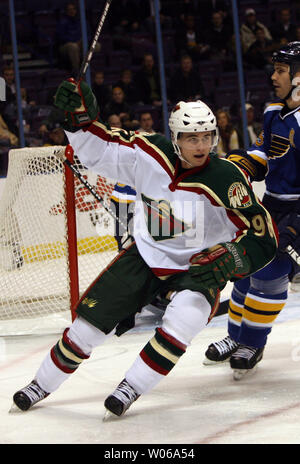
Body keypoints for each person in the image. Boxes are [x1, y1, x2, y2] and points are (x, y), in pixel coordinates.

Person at [12, 81, 277, 417]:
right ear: (176, 138)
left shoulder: (227, 178)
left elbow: (262, 234)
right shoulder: (151, 153)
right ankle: (40, 384)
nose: (201, 145)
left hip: (198, 269)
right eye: (191, 138)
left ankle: (131, 387)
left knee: (184, 319)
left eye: (207, 136)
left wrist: (234, 257)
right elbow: (103, 151)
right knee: (87, 326)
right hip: (146, 257)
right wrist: (78, 121)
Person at [204, 41, 300, 380]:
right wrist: (238, 166)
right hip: (274, 203)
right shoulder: (275, 110)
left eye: (280, 70)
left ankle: (253, 342)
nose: (273, 76)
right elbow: (264, 152)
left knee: (271, 274)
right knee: (245, 265)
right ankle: (236, 337)